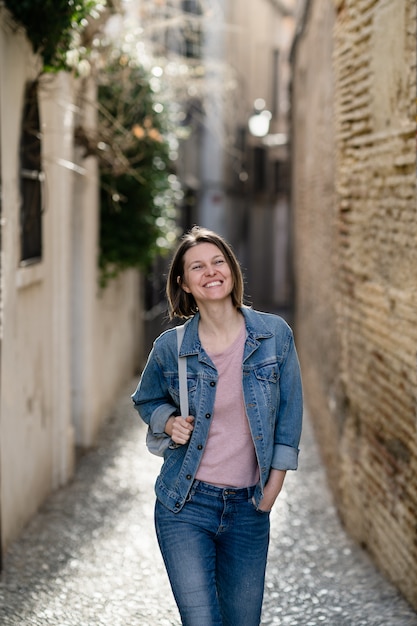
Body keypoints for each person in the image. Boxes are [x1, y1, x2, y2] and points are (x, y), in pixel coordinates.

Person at [132, 226, 303, 626]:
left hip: (249, 508)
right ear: (184, 283)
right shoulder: (171, 348)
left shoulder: (274, 336)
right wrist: (168, 421)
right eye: (197, 267)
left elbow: (289, 418)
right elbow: (146, 399)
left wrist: (271, 490)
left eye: (218, 261)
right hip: (185, 504)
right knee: (202, 620)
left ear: (231, 270)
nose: (210, 272)